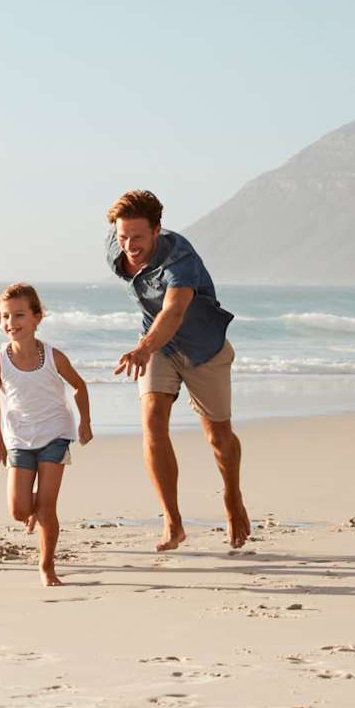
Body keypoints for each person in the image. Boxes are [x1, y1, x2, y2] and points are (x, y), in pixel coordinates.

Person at [105, 190, 249, 551]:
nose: (129, 245)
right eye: (122, 236)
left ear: (157, 230)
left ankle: (232, 497)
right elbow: (156, 315)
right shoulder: (116, 248)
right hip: (159, 346)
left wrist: (142, 349)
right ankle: (172, 521)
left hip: (203, 348)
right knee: (153, 421)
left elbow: (173, 311)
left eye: (138, 237)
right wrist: (148, 346)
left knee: (219, 438)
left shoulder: (180, 258)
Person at [0, 283, 93, 586]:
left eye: (19, 315)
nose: (11, 323)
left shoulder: (54, 356)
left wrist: (85, 423)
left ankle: (47, 567)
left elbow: (79, 386)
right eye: (5, 316)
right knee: (19, 509)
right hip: (19, 438)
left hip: (55, 434)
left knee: (47, 508)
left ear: (36, 317)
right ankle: (33, 511)